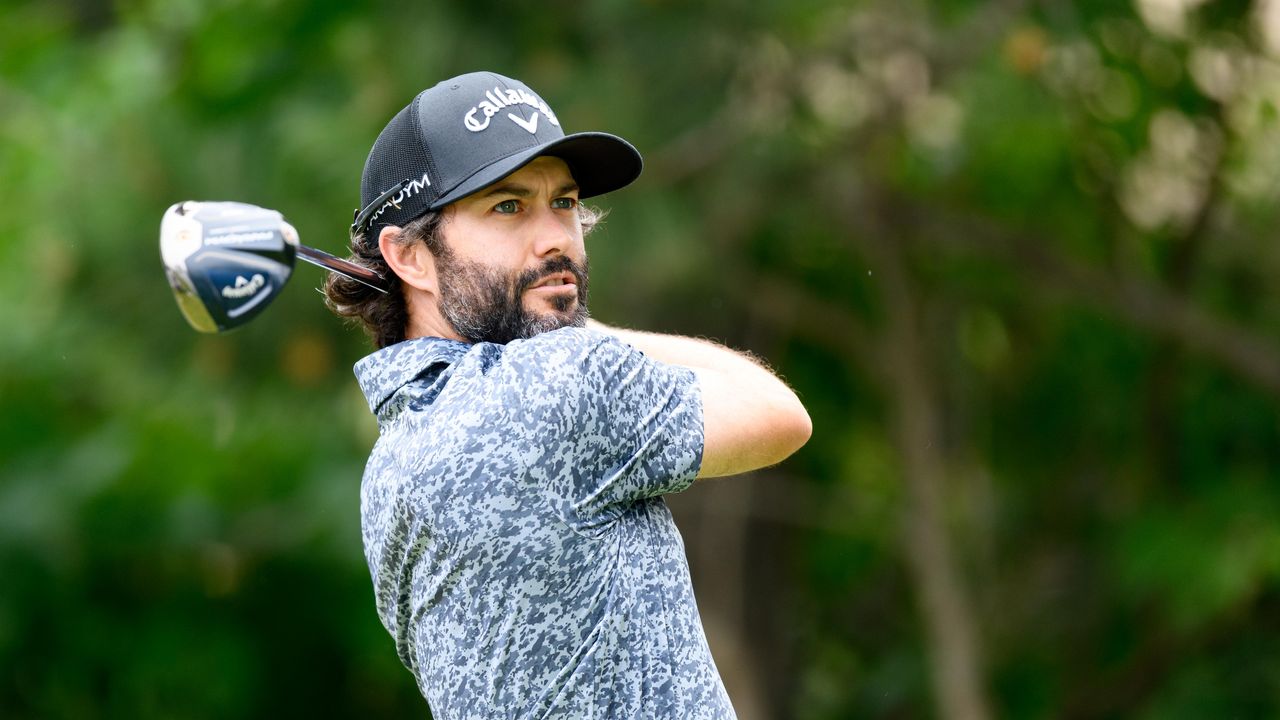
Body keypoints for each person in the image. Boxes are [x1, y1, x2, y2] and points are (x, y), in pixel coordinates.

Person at [324, 71, 811, 719]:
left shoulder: (390, 467)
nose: (557, 238)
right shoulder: (557, 386)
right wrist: (587, 327)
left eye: (564, 202)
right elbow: (778, 413)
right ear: (409, 257)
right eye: (508, 207)